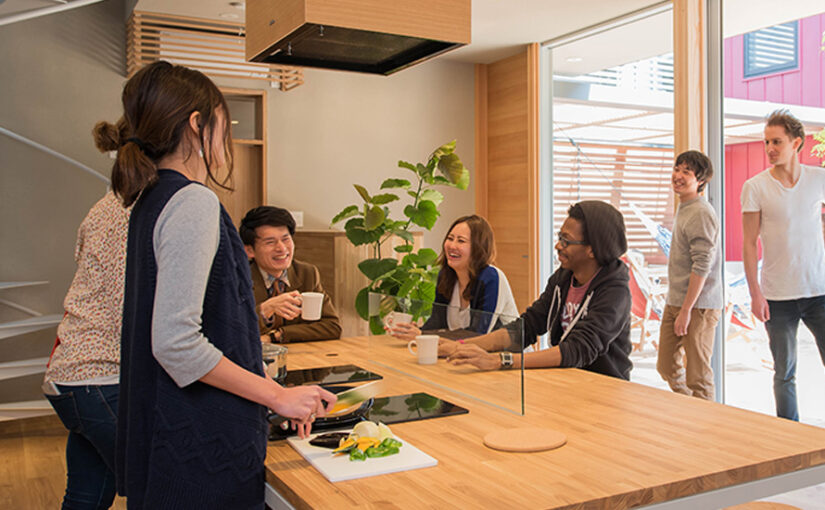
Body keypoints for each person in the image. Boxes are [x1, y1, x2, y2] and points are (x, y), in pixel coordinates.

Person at [105, 60, 335, 508]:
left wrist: (273, 389)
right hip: (200, 442)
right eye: (222, 124)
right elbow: (176, 343)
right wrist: (278, 396)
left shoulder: (150, 200)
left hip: (168, 435)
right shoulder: (192, 200)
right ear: (197, 125)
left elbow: (211, 328)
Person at [445, 201, 633, 380]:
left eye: (566, 241)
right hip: (566, 379)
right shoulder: (563, 277)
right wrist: (457, 346)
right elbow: (528, 326)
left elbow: (577, 349)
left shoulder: (615, 291)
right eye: (560, 238)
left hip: (604, 386)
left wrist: (499, 360)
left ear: (592, 250)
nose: (558, 246)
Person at [43, 190, 130, 510]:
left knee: (87, 497)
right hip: (101, 375)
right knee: (158, 487)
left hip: (72, 375)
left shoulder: (104, 206)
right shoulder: (137, 211)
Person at [741, 109, 825, 421]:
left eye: (777, 141)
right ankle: (790, 435)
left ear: (796, 143)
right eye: (766, 142)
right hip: (776, 297)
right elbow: (749, 243)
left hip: (819, 292)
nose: (770, 148)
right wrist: (755, 294)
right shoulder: (755, 186)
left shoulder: (819, 179)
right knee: (784, 373)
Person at [386, 214, 518, 341]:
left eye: (461, 241)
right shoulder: (446, 275)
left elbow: (478, 334)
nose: (452, 246)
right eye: (450, 238)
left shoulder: (491, 277)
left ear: (478, 247)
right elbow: (437, 324)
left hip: (507, 357)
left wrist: (422, 334)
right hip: (462, 354)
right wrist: (412, 331)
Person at [656, 150, 722, 400]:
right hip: (676, 300)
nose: (678, 176)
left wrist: (686, 310)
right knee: (665, 366)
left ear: (701, 181)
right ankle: (690, 409)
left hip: (699, 306)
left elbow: (702, 265)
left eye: (687, 172)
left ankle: (705, 431)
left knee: (698, 377)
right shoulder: (685, 207)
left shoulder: (701, 213)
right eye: (677, 168)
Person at [239, 206, 342, 343]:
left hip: (301, 359)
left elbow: (332, 327)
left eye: (286, 239)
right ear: (250, 251)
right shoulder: (238, 278)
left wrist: (277, 335)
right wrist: (265, 310)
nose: (281, 248)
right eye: (270, 242)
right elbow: (231, 330)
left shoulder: (307, 273)